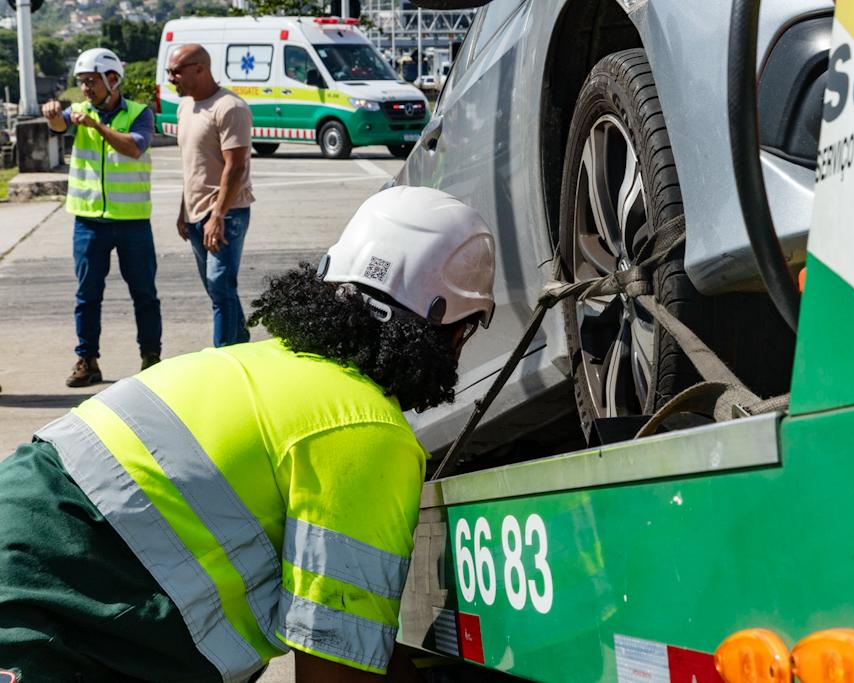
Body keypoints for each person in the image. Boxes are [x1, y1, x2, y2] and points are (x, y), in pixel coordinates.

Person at [0, 186, 496, 682]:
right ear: (445, 329)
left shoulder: (258, 364)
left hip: (34, 535)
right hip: (46, 592)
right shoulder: (366, 430)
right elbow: (335, 669)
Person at [41, 47, 162, 387]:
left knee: (144, 294)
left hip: (132, 221)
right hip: (89, 221)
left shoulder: (139, 114)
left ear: (113, 80)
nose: (85, 89)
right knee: (87, 294)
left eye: (91, 81)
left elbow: (134, 147)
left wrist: (96, 126)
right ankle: (87, 359)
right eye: (81, 82)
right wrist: (53, 114)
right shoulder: (78, 111)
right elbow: (59, 124)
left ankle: (151, 358)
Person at [168, 43, 256, 347]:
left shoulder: (229, 108)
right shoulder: (185, 107)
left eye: (176, 71)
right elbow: (192, 164)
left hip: (225, 213)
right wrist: (183, 210)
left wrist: (217, 215)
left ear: (200, 69)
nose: (171, 78)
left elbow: (235, 166)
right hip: (195, 214)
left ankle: (222, 357)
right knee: (218, 289)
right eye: (169, 72)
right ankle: (241, 343)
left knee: (220, 286)